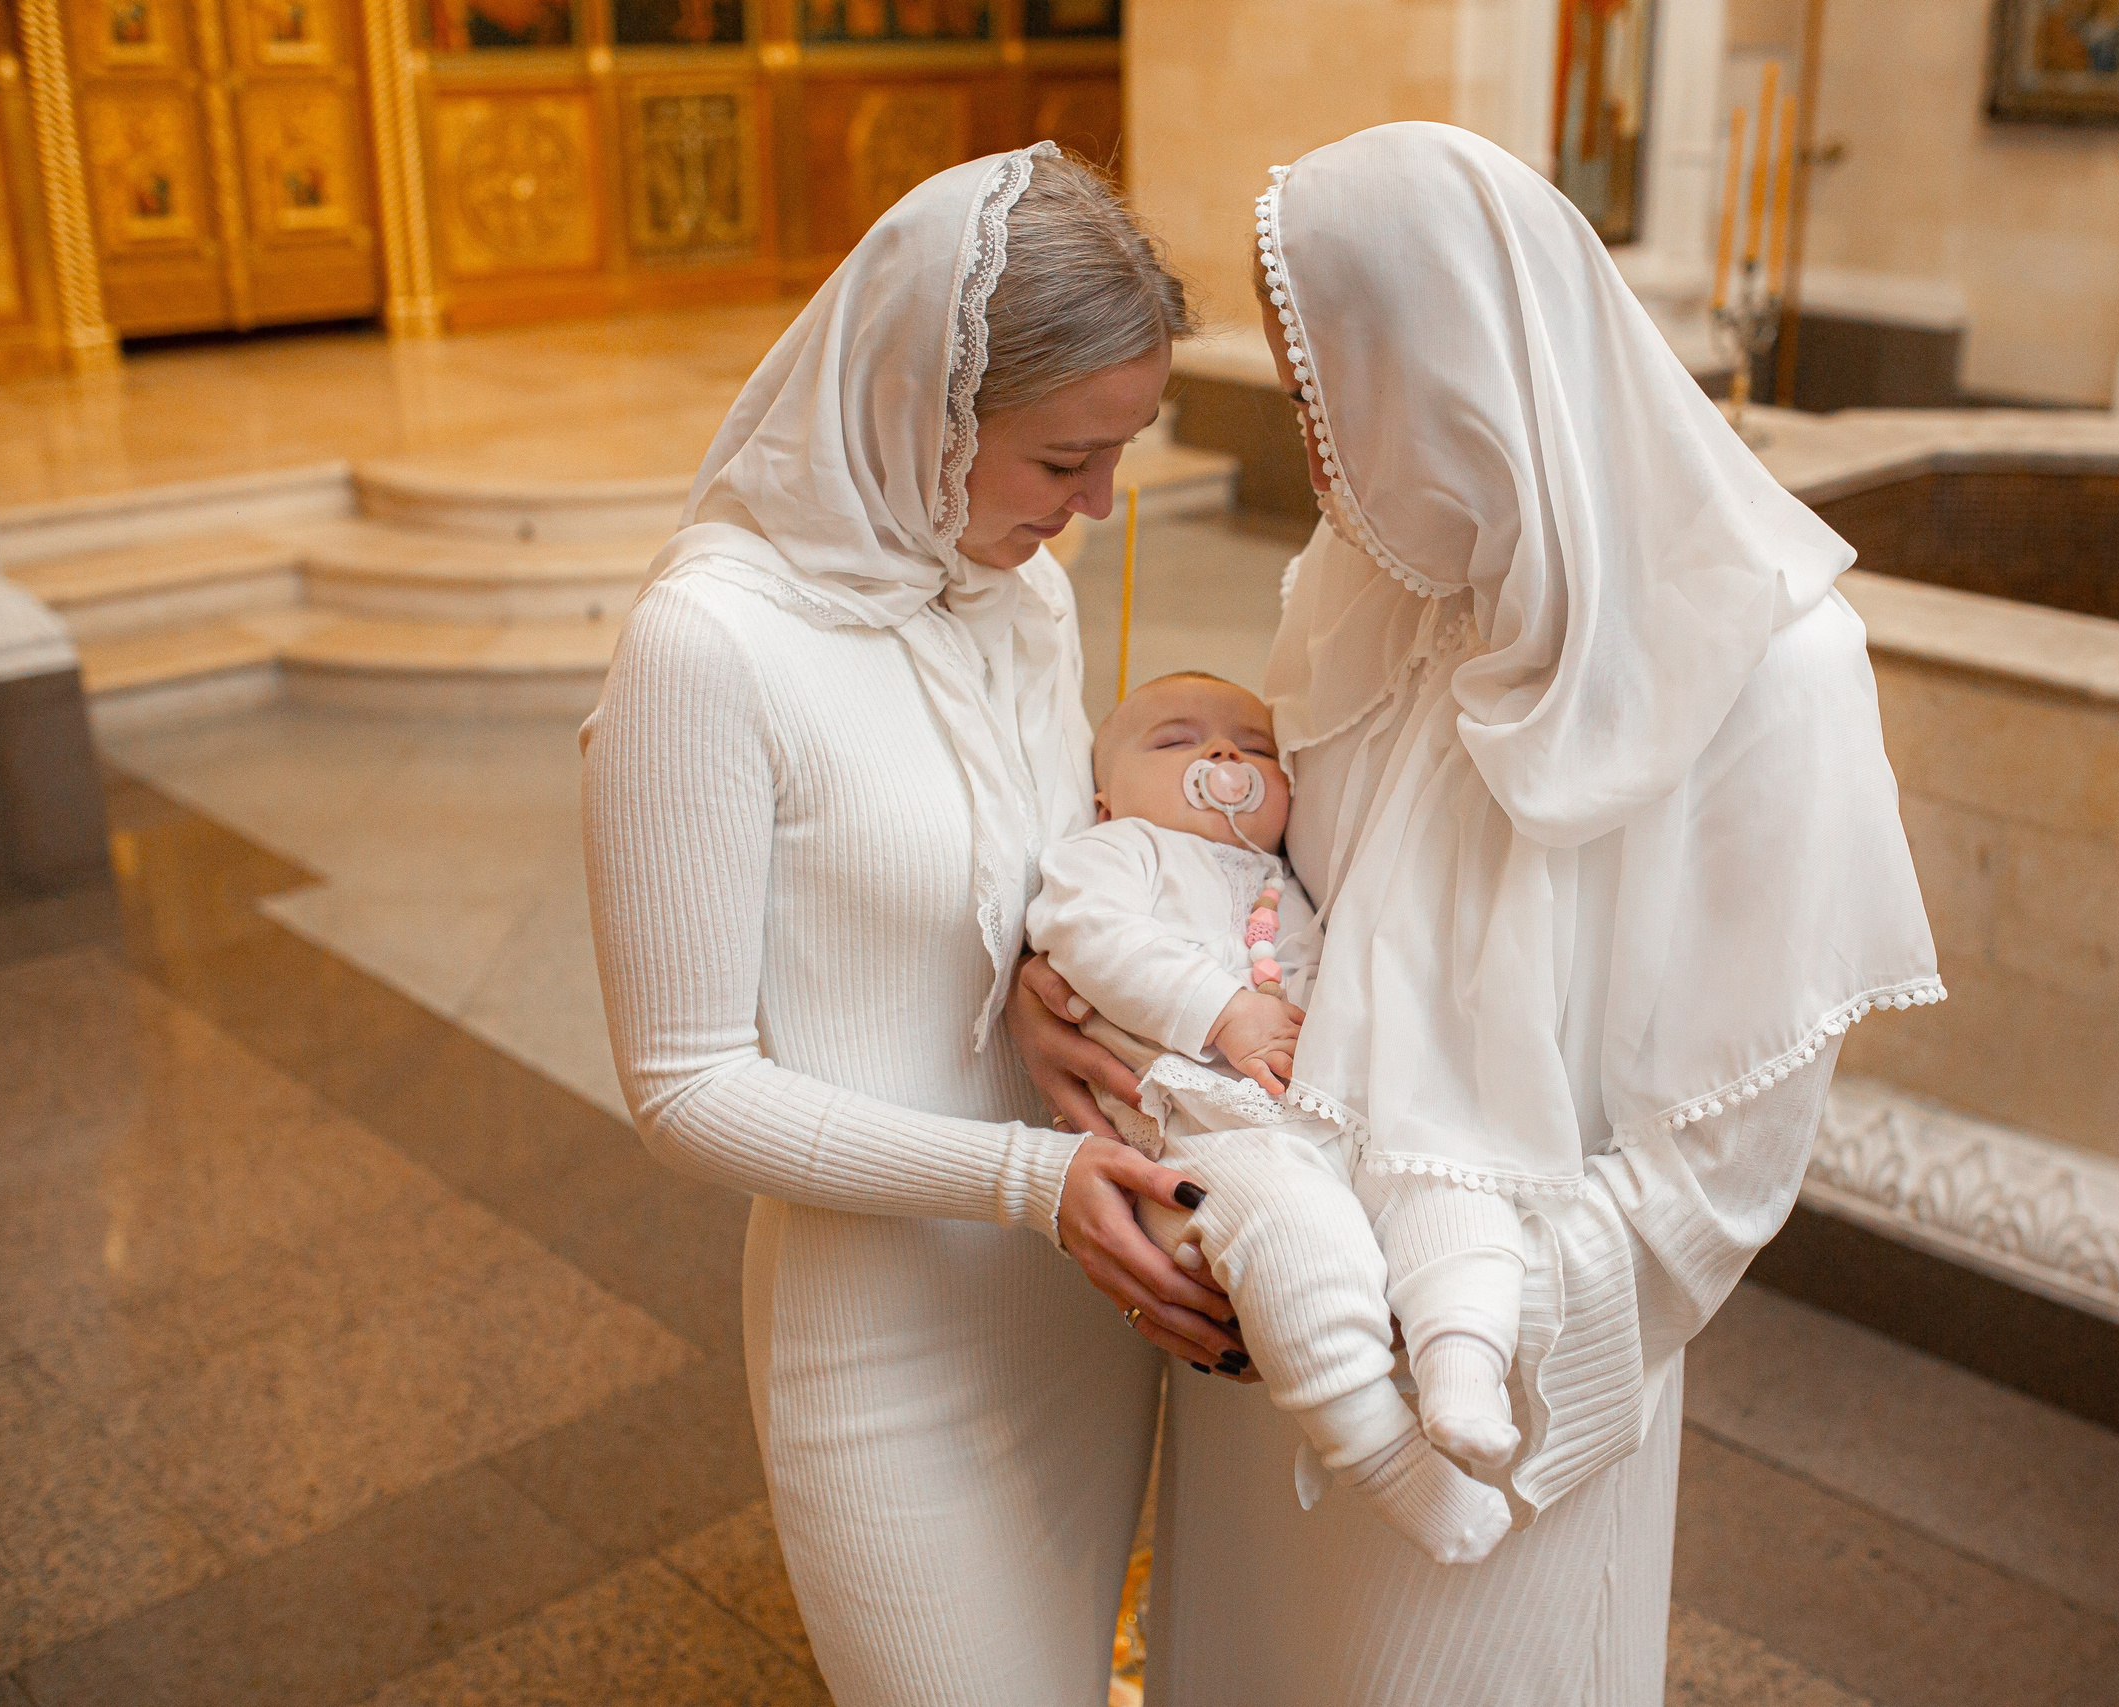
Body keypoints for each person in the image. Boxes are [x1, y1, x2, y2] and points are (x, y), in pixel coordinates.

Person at [1124, 121, 1948, 1702]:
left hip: (1497, 1376)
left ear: (1461, 368)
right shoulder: (1369, 576)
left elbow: (1728, 1155)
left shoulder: (1776, 669)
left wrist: (1427, 1334)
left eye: (1327, 394)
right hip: (1277, 1300)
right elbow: (1269, 890)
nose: (1316, 446)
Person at [582, 145, 1232, 1707]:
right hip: (884, 1336)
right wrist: (1024, 1174)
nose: (1100, 505)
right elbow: (682, 1085)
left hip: (1083, 1312)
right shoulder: (710, 644)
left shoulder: (1018, 591)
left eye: (1123, 450)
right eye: (1063, 458)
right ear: (918, 404)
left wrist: (1054, 979)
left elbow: (1033, 881)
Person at [1025, 669, 1522, 1563]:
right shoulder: (1118, 852)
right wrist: (1223, 1009)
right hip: (1210, 1134)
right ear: (1103, 798)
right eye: (1175, 740)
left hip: (1326, 1114)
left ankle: (1464, 1357)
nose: (1222, 754)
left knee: (1448, 1176)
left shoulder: (1288, 878)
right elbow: (1089, 934)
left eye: (1253, 746)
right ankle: (1379, 1450)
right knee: (1299, 1232)